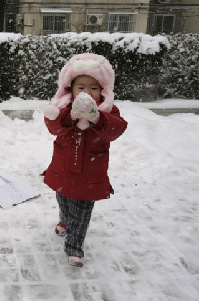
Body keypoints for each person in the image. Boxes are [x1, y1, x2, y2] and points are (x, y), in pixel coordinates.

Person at [42, 53, 128, 267]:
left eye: (94, 88)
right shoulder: (62, 109)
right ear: (70, 89)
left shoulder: (108, 111)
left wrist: (97, 118)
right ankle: (63, 220)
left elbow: (117, 129)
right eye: (81, 87)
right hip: (63, 169)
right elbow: (53, 128)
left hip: (90, 174)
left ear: (103, 91)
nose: (87, 92)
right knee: (63, 200)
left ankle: (74, 248)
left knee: (81, 212)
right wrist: (70, 116)